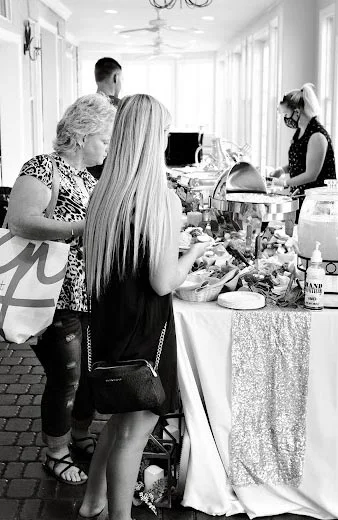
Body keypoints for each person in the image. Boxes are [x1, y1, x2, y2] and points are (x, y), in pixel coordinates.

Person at [79, 94, 209, 520]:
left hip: (109, 323)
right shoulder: (160, 199)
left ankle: (92, 501)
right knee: (135, 431)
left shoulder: (102, 194)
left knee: (118, 422)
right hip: (144, 328)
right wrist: (194, 254)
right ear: (153, 138)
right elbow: (162, 281)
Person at [6, 94, 116, 485]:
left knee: (88, 373)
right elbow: (19, 220)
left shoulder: (88, 178)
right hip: (52, 294)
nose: (107, 146)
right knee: (66, 376)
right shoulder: (42, 168)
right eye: (105, 138)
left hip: (85, 293)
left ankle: (80, 435)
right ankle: (56, 452)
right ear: (83, 135)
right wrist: (83, 228)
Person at [272, 83, 336, 194]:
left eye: (286, 114)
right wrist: (282, 170)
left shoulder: (317, 136)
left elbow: (311, 175)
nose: (286, 119)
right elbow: (301, 162)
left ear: (296, 112)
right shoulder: (301, 131)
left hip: (317, 200)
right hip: (301, 195)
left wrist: (285, 183)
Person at [88, 57, 123, 179]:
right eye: (121, 79)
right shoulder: (123, 107)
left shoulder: (84, 105)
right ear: (116, 78)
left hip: (87, 173)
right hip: (114, 174)